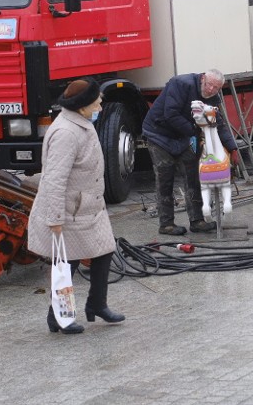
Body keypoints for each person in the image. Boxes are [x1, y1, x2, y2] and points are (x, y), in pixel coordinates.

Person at [28, 78, 125, 335]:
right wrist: (55, 218)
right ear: (82, 106)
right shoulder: (65, 133)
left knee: (105, 250)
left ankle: (97, 305)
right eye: (96, 101)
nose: (101, 104)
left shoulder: (80, 122)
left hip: (90, 207)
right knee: (66, 265)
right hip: (70, 211)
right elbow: (54, 179)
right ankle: (57, 317)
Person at [143, 69, 239, 236]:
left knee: (194, 175)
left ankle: (197, 220)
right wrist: (194, 130)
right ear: (203, 79)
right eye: (209, 85)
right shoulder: (181, 84)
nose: (211, 90)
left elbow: (218, 121)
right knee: (165, 178)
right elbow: (170, 114)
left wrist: (232, 147)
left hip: (183, 136)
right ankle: (166, 224)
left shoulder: (212, 96)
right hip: (159, 134)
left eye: (216, 88)